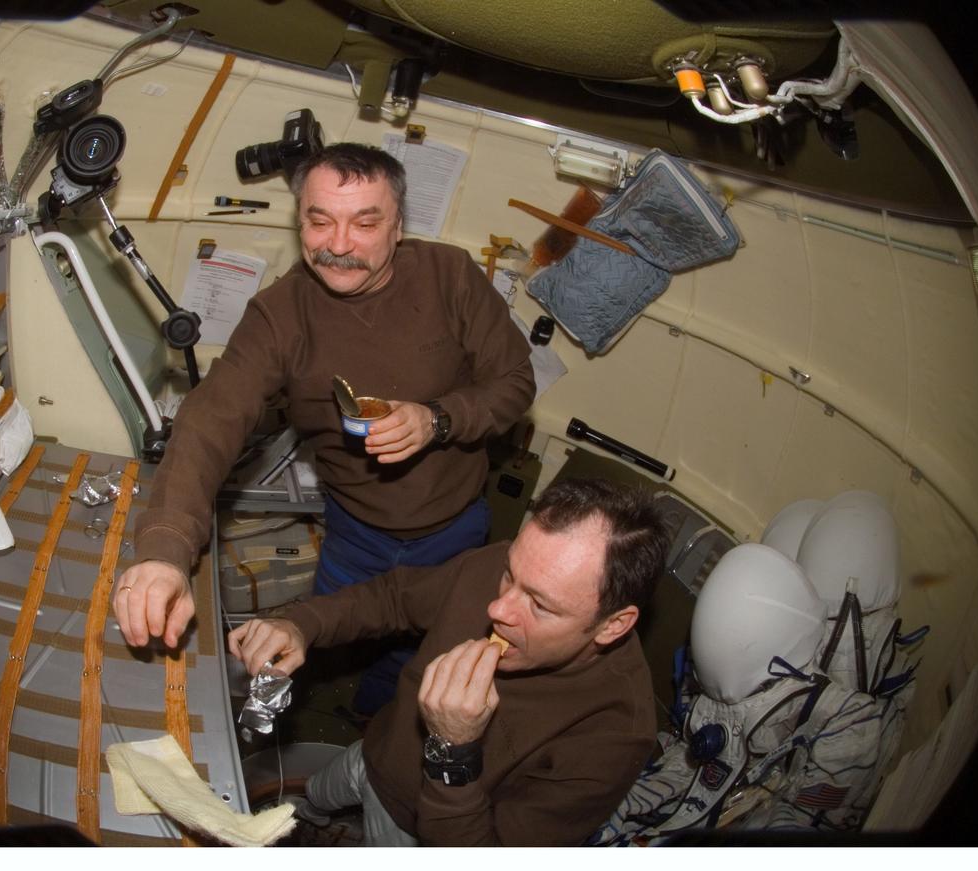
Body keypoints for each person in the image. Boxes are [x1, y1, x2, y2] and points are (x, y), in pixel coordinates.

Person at [113, 144, 536, 679]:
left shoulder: (449, 275)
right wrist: (164, 551)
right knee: (325, 644)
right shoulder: (279, 314)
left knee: (428, 663)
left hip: (453, 532)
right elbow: (210, 417)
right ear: (299, 222)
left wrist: (437, 418)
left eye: (364, 223)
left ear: (397, 226)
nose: (338, 245)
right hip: (353, 532)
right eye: (320, 222)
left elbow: (515, 382)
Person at [227, 478, 670, 846]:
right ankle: (307, 819)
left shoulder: (614, 734)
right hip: (370, 753)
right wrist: (303, 624)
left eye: (539, 605)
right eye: (510, 574)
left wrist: (453, 752)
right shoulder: (503, 568)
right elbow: (394, 598)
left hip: (416, 831)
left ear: (613, 625)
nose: (499, 608)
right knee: (314, 800)